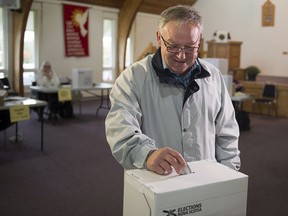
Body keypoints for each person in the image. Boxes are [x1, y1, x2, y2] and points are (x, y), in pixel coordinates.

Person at [105, 5, 240, 175]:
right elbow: (120, 128)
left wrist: (229, 172)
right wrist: (147, 154)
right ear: (159, 38)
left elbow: (227, 131)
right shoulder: (133, 78)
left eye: (190, 47)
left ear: (199, 41)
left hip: (208, 178)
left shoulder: (213, 76)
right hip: (160, 180)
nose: (181, 56)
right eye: (173, 46)